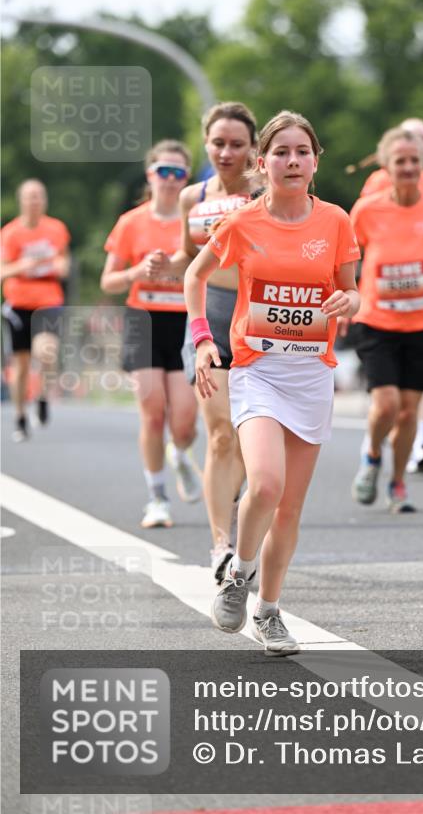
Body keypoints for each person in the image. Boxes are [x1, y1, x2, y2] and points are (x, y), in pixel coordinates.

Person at [185, 110, 360, 655]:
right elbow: (195, 276)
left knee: (289, 508)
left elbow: (352, 292)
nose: (292, 161)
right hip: (258, 371)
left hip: (312, 375)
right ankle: (240, 573)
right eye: (280, 152)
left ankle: (269, 610)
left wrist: (347, 302)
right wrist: (203, 338)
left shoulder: (336, 221)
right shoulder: (241, 223)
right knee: (264, 484)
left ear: (314, 162)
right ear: (263, 164)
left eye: (301, 152)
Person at [346, 126, 423, 513]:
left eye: (414, 161)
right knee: (385, 406)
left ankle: (398, 483)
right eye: (400, 161)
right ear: (386, 165)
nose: (408, 167)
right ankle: (371, 456)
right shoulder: (367, 211)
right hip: (376, 320)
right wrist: (343, 301)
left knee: (408, 412)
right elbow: (347, 262)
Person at [166, 102, 260, 582]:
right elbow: (189, 255)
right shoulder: (191, 198)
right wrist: (172, 270)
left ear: (253, 148)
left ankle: (243, 503)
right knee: (220, 431)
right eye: (219, 143)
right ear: (206, 142)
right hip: (210, 316)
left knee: (248, 436)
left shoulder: (265, 193)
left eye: (237, 144)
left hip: (261, 320)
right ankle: (220, 546)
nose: (227, 152)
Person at [100, 140, 201, 529]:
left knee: (185, 422)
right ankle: (157, 498)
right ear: (150, 175)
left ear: (187, 178)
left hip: (185, 322)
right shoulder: (131, 222)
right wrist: (135, 273)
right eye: (164, 172)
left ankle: (179, 453)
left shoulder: (194, 221)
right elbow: (109, 281)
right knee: (152, 411)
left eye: (179, 173)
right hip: (143, 320)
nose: (171, 180)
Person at [1, 180, 70, 441]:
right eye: (30, 197)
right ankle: (20, 416)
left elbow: (63, 260)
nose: (35, 201)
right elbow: (3, 270)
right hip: (18, 303)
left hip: (48, 299)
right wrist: (24, 265)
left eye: (39, 196)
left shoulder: (56, 229)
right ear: (21, 201)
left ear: (45, 201)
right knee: (20, 363)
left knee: (47, 352)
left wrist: (59, 266)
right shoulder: (10, 233)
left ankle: (42, 396)